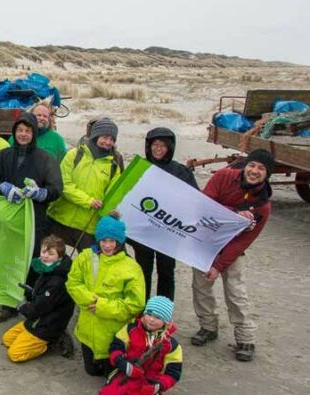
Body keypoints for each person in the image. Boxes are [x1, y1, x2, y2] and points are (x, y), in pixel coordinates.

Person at [190, 149, 273, 362]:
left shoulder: (262, 205)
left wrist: (219, 266)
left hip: (233, 246)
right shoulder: (223, 177)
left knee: (236, 291)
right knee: (201, 286)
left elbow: (245, 240)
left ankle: (245, 337)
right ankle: (208, 327)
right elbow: (203, 207)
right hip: (206, 240)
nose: (254, 171)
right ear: (245, 165)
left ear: (267, 174)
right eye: (252, 165)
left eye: (261, 169)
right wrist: (234, 215)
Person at [0, 112, 63, 323]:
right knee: (9, 260)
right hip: (8, 220)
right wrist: (2, 186)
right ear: (14, 132)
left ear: (34, 133)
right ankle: (8, 303)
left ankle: (34, 304)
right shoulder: (3, 156)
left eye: (28, 131)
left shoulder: (45, 159)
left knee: (33, 261)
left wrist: (41, 193)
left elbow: (56, 188)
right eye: (20, 130)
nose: (23, 134)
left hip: (35, 220)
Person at [66, 214, 146, 376]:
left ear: (120, 241)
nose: (108, 245)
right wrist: (89, 300)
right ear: (98, 239)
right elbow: (73, 282)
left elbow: (136, 303)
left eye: (113, 241)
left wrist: (102, 306)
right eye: (104, 240)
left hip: (114, 336)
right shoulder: (85, 257)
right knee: (91, 372)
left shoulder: (131, 268)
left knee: (111, 374)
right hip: (87, 331)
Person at [131, 127, 198, 301]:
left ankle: (162, 313)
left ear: (170, 147)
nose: (158, 149)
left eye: (162, 145)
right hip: (143, 231)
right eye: (154, 145)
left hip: (168, 232)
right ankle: (140, 308)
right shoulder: (139, 168)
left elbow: (195, 200)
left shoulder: (181, 171)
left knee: (166, 272)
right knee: (142, 271)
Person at [47, 118, 124, 251]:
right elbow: (64, 185)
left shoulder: (113, 167)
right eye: (105, 137)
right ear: (95, 135)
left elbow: (111, 198)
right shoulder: (74, 155)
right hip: (59, 218)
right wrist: (88, 201)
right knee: (51, 260)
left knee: (89, 265)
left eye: (112, 139)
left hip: (88, 226)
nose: (108, 142)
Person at [1, 235, 75, 362]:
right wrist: (31, 292)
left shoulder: (57, 281)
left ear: (60, 256)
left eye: (51, 253)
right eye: (43, 251)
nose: (45, 256)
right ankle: (34, 340)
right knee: (7, 339)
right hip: (37, 320)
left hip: (47, 325)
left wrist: (22, 307)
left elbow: (40, 307)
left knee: (14, 354)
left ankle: (50, 343)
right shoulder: (49, 268)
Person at [100, 295, 182, 395]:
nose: (151, 319)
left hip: (150, 382)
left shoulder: (172, 346)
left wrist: (158, 386)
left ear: (166, 322)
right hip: (126, 373)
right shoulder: (130, 329)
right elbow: (115, 348)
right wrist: (124, 365)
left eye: (158, 317)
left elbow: (173, 373)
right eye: (149, 314)